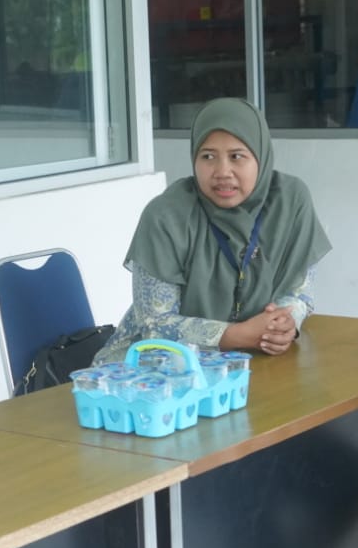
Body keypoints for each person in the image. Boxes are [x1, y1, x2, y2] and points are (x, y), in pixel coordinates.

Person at [93, 98, 332, 365]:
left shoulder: (290, 202)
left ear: (261, 157)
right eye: (208, 156)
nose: (222, 172)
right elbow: (155, 325)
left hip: (249, 362)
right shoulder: (166, 216)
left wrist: (285, 325)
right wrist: (237, 335)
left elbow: (300, 292)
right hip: (149, 370)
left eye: (236, 156)